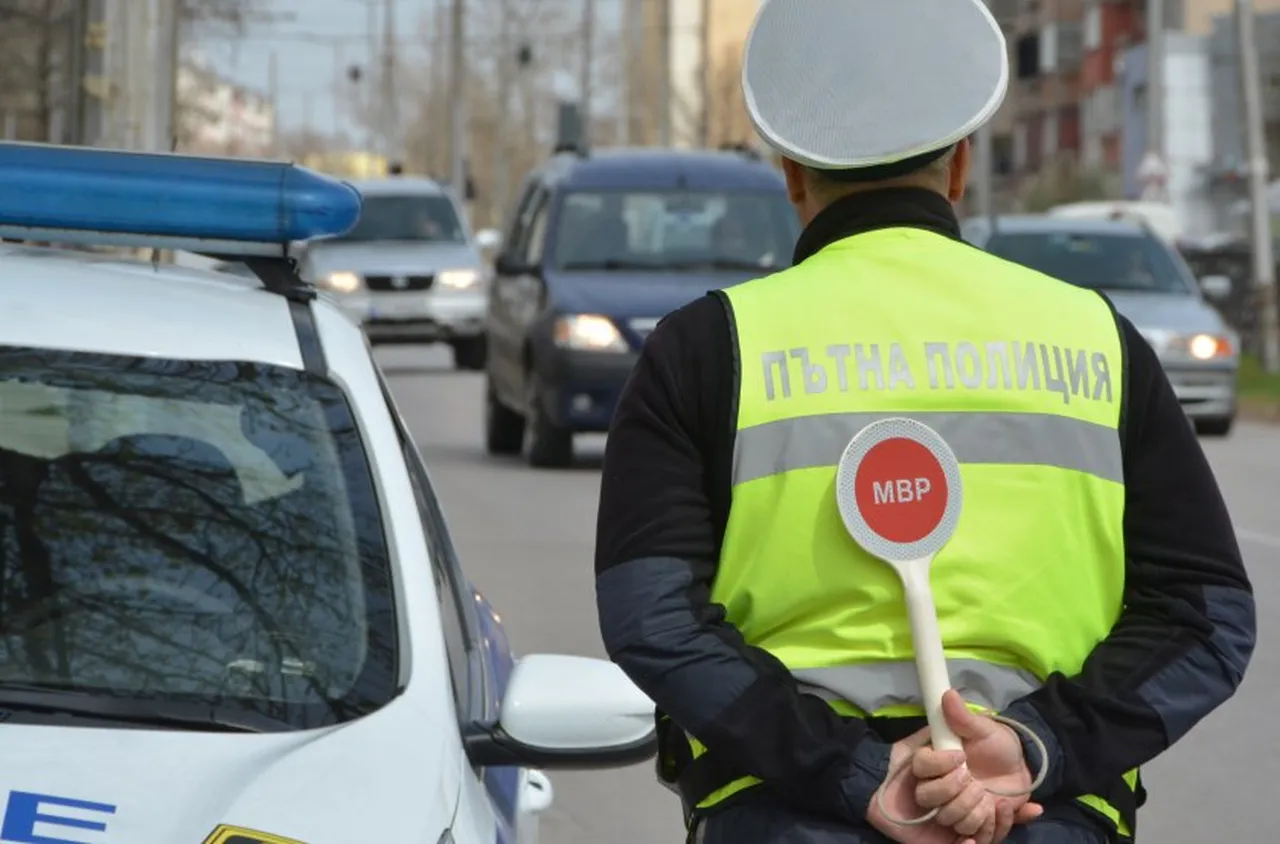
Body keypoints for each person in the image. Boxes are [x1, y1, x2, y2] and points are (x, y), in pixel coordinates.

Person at [592, 1, 1256, 843]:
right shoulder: (1098, 340)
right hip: (1043, 816)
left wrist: (853, 771)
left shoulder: (705, 347)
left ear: (793, 172)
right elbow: (1206, 618)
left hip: (783, 816)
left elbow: (651, 616)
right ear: (961, 166)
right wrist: (1033, 749)